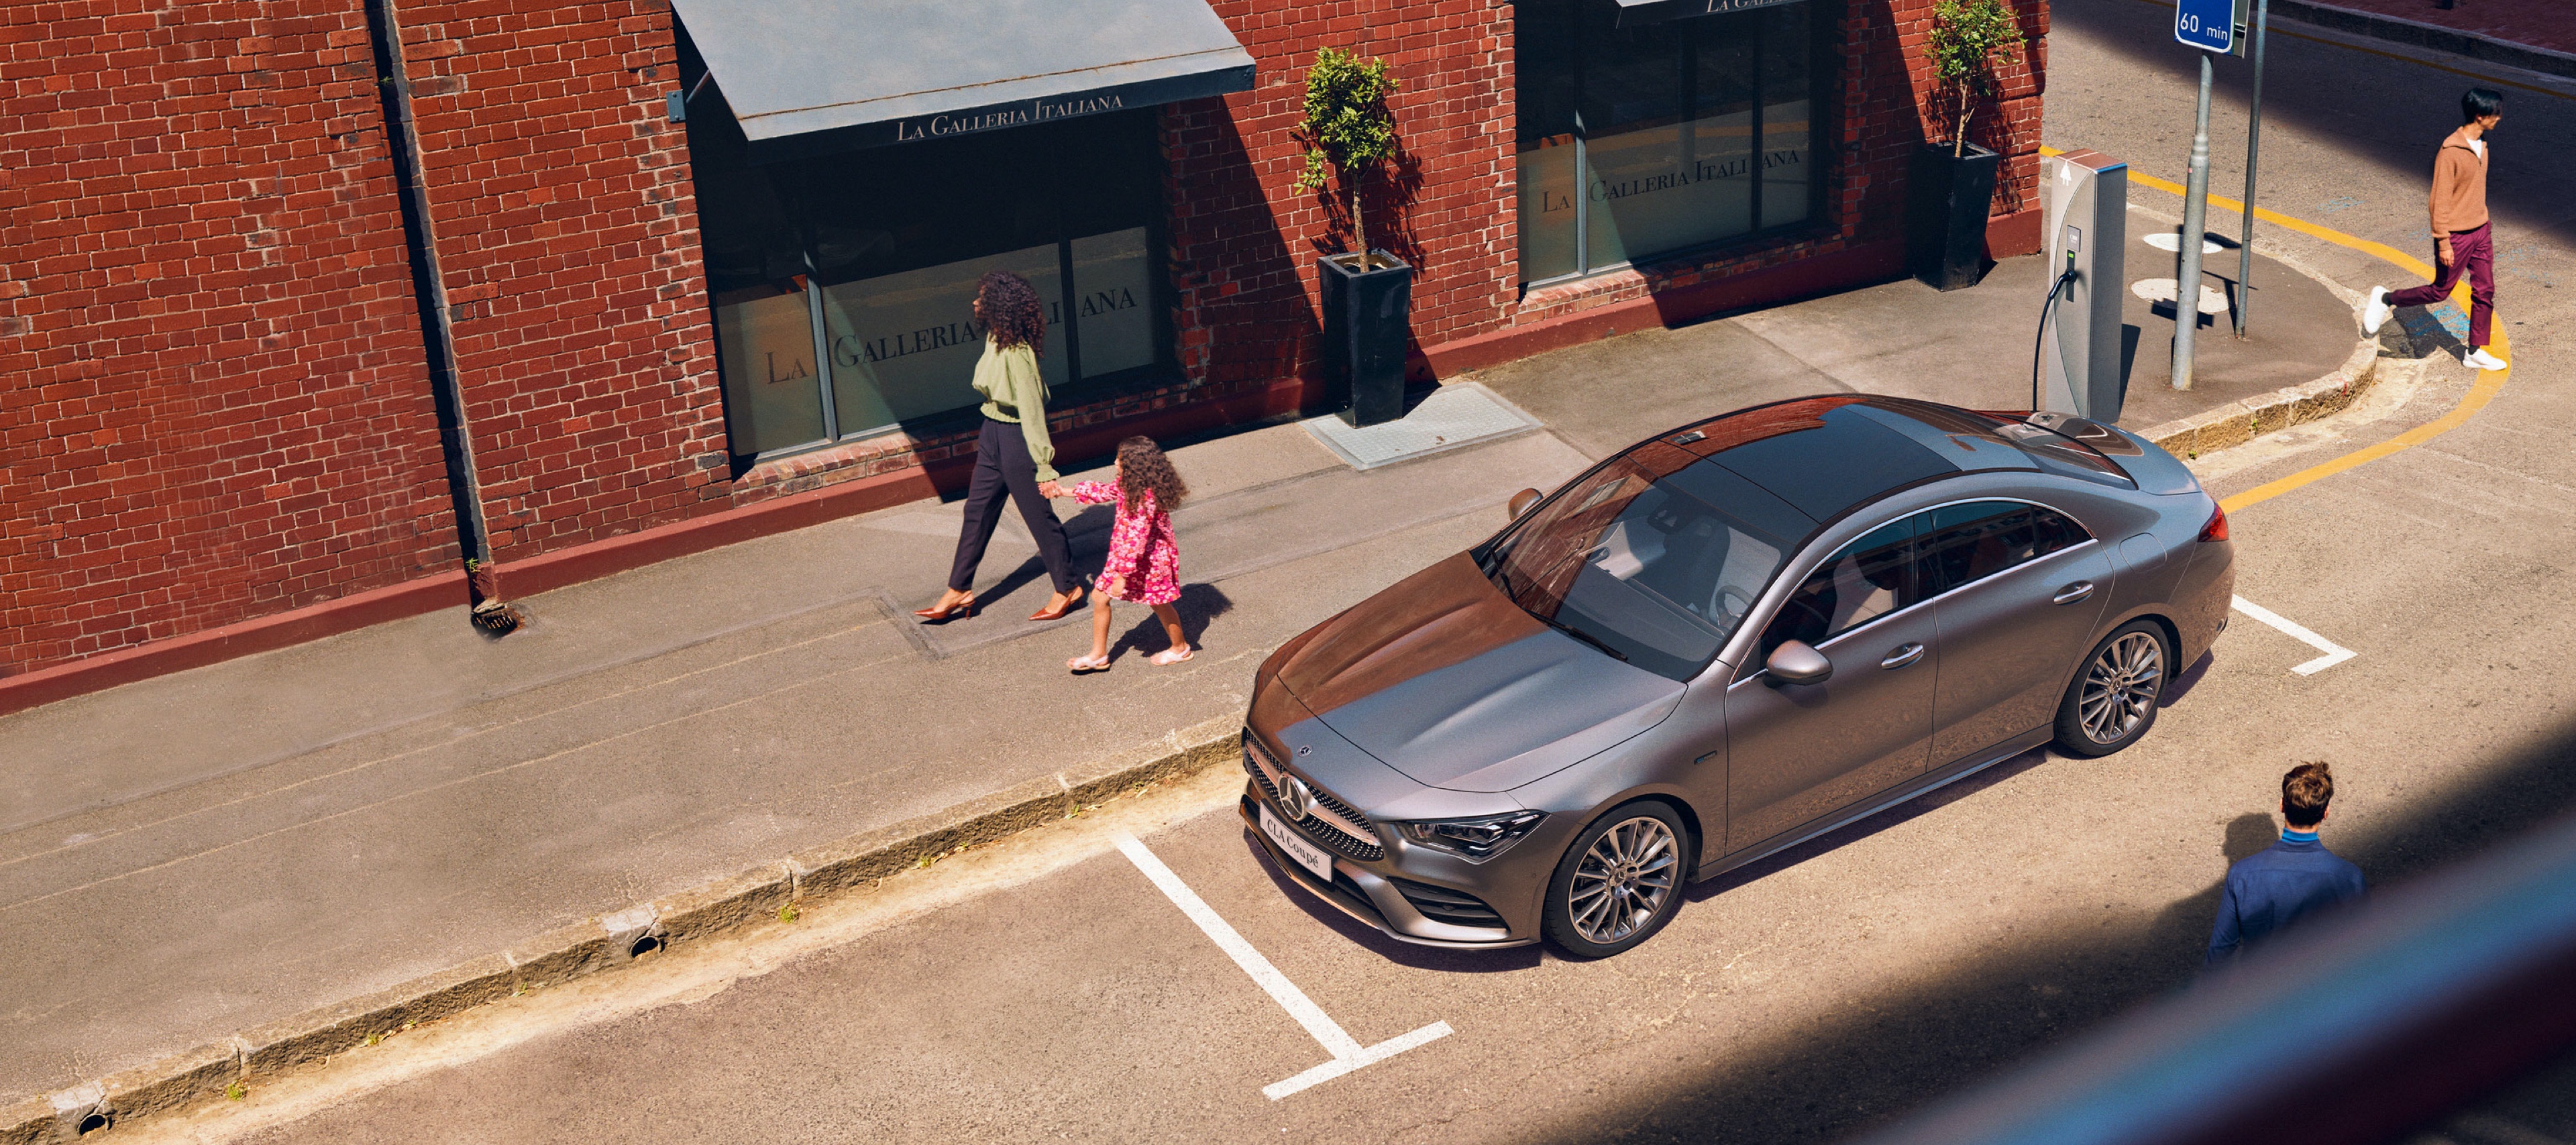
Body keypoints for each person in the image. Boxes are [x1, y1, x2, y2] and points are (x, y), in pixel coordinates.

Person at [916, 270, 1085, 623]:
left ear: (999, 306)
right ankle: (960, 588)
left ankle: (1069, 587)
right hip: (991, 432)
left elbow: (1033, 410)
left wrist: (1044, 466)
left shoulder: (1018, 352)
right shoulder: (996, 338)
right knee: (977, 511)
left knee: (1039, 518)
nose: (975, 303)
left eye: (982, 298)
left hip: (1017, 437)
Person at [2363, 87, 2508, 373]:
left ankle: (2476, 351)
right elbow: (2438, 202)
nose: (2500, 118)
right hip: (2456, 235)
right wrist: (2444, 242)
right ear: (2480, 116)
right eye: (2496, 114)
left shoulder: (2483, 144)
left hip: (2481, 229)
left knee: (2485, 290)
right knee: (2441, 291)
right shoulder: (2450, 152)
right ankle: (2387, 299)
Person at [1050, 437, 1191, 672]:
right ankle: (1099, 655)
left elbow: (1136, 540)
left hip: (1150, 561)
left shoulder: (1145, 498)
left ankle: (1180, 648)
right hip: (1127, 558)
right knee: (1100, 597)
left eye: (1120, 459)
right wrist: (1061, 491)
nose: (1115, 462)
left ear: (1135, 465)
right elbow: (1103, 492)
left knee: (1159, 603)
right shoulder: (1129, 484)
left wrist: (1122, 576)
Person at [2206, 762, 2365, 967]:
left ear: (2282, 806)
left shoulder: (2242, 875)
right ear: (2326, 812)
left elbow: (2220, 953)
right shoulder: (2349, 878)